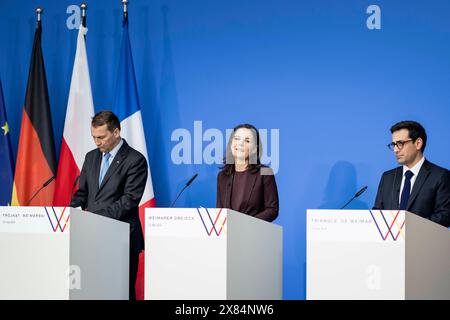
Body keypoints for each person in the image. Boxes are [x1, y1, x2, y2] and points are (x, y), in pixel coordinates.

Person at [70, 111, 147, 300]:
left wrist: (95, 218)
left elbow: (129, 200)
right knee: (94, 289)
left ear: (116, 132)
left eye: (101, 137)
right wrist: (70, 212)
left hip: (122, 238)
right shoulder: (91, 157)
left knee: (120, 291)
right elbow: (83, 194)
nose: (97, 142)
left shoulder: (135, 160)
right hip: (92, 237)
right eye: (93, 137)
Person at [374, 120, 450, 227]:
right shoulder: (387, 177)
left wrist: (410, 228)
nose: (395, 149)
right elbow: (378, 213)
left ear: (418, 143)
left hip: (423, 241)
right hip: (391, 243)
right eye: (393, 144)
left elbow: (444, 216)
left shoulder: (440, 176)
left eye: (400, 144)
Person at [216, 124, 279, 222]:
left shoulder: (265, 172)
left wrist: (247, 224)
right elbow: (219, 212)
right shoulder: (222, 176)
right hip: (229, 235)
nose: (240, 143)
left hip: (254, 233)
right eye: (237, 138)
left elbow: (272, 209)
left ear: (255, 149)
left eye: (247, 141)